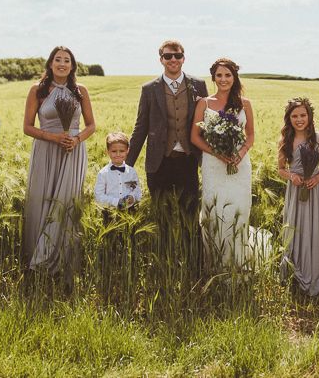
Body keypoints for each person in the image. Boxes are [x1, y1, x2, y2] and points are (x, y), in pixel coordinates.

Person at [23, 45, 95, 276]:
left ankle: (64, 262)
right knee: (42, 199)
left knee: (66, 202)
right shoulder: (38, 90)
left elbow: (91, 125)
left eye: (67, 60)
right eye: (58, 59)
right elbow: (27, 127)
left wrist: (76, 139)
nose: (62, 64)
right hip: (46, 150)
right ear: (50, 64)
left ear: (72, 66)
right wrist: (52, 137)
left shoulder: (80, 90)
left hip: (72, 152)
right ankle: (38, 260)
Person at [127, 40, 208, 215]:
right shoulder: (149, 89)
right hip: (159, 161)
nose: (173, 59)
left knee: (189, 213)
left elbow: (206, 123)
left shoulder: (199, 85)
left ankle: (187, 243)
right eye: (168, 56)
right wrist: (126, 165)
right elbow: (141, 127)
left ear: (183, 58)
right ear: (161, 59)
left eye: (177, 55)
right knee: (161, 214)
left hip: (189, 160)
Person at [191, 57, 254, 268]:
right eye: (219, 75)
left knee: (238, 210)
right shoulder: (204, 103)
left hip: (239, 165)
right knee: (215, 210)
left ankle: (238, 263)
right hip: (213, 164)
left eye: (228, 75)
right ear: (213, 77)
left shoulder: (245, 104)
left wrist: (241, 153)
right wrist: (217, 153)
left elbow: (251, 135)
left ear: (234, 77)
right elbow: (195, 137)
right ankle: (215, 265)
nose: (223, 79)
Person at [277, 97, 319, 296]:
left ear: (309, 116)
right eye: (294, 116)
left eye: (303, 115)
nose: (299, 119)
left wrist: (316, 179)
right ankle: (295, 272)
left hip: (314, 189)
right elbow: (280, 169)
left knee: (314, 228)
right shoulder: (286, 140)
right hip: (296, 189)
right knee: (295, 227)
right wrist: (292, 176)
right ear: (289, 118)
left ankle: (317, 273)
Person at [94, 132, 142, 210]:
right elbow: (98, 196)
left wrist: (132, 198)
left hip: (130, 211)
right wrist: (117, 202)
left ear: (127, 151)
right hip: (109, 212)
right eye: (114, 151)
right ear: (107, 151)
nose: (118, 154)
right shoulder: (103, 174)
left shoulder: (132, 172)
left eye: (122, 151)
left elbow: (137, 191)